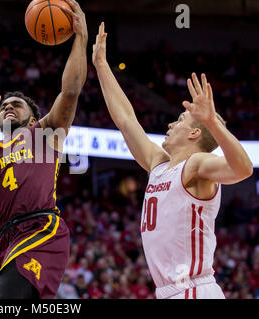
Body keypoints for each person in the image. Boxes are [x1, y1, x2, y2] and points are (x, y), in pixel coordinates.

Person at [92, 22, 253, 299]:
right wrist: (101, 66)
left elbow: (243, 169)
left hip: (193, 289)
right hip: (169, 291)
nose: (170, 124)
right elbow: (126, 119)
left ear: (194, 132)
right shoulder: (158, 164)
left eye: (179, 120)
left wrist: (212, 122)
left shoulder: (197, 166)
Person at [0, 0, 88, 299]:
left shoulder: (43, 133)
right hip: (9, 236)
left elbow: (69, 92)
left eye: (15, 105)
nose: (7, 107)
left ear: (32, 117)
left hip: (40, 228)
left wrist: (80, 39)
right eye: (4, 105)